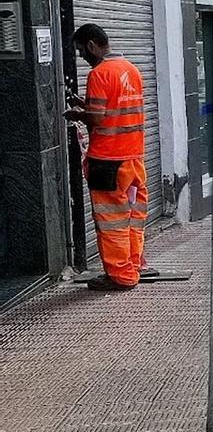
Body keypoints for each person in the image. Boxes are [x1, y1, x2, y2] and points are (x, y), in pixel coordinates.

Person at [66, 24, 151, 291]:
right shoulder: (131, 69)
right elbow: (115, 108)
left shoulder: (99, 73)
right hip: (134, 158)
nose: (82, 56)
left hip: (108, 161)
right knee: (133, 218)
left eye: (81, 51)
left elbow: (97, 117)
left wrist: (77, 114)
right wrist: (84, 103)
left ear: (92, 45)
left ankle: (120, 276)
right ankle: (134, 264)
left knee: (111, 221)